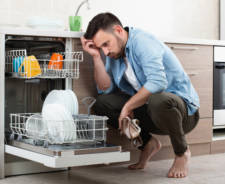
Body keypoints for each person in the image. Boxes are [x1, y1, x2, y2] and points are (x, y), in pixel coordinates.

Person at [81, 12, 200, 178]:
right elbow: (105, 89)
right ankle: (147, 144)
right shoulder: (115, 53)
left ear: (118, 31)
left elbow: (158, 83)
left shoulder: (142, 42)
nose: (106, 52)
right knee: (103, 103)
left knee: (158, 99)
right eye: (102, 48)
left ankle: (182, 152)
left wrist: (128, 107)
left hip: (183, 113)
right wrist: (95, 57)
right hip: (152, 109)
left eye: (106, 44)